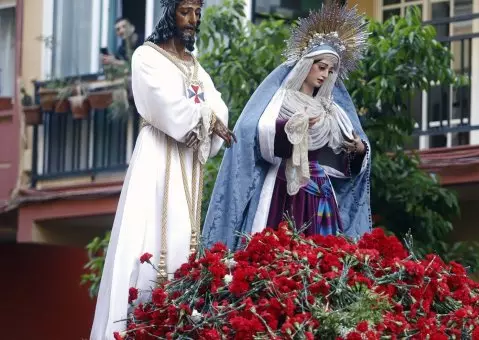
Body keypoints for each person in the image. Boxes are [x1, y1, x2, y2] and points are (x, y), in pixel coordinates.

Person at [90, 0, 235, 339]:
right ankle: (139, 319)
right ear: (170, 13)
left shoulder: (197, 66)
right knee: (149, 236)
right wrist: (207, 118)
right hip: (157, 157)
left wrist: (213, 119)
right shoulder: (147, 56)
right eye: (186, 11)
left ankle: (176, 315)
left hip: (188, 162)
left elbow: (218, 106)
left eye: (198, 14)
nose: (193, 20)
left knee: (185, 238)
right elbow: (167, 106)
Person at [202, 3, 372, 250]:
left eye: (331, 70)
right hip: (284, 186)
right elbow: (252, 132)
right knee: (282, 250)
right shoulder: (280, 101)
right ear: (307, 64)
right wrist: (290, 127)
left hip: (321, 190)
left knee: (323, 254)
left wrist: (358, 150)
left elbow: (344, 160)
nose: (325, 75)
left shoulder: (332, 110)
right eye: (321, 67)